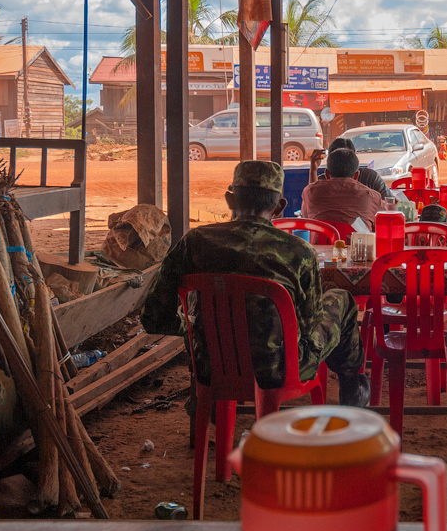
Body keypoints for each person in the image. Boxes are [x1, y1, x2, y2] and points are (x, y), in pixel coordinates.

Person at [141, 160, 369, 406]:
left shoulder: (193, 243)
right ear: (279, 207)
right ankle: (352, 388)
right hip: (278, 370)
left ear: (230, 200)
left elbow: (153, 318)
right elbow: (307, 325)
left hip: (210, 366)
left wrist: (194, 328)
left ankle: (206, 406)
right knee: (341, 299)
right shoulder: (298, 252)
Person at [302, 148, 383, 230]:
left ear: (327, 174)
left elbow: (306, 217)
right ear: (356, 176)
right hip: (357, 243)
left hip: (321, 243)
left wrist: (313, 170)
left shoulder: (309, 192)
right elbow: (383, 227)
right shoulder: (372, 197)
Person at [309, 138, 393, 199]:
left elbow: (390, 202)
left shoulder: (370, 177)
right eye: (338, 159)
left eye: (348, 158)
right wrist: (313, 170)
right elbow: (311, 198)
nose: (343, 164)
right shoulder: (321, 182)